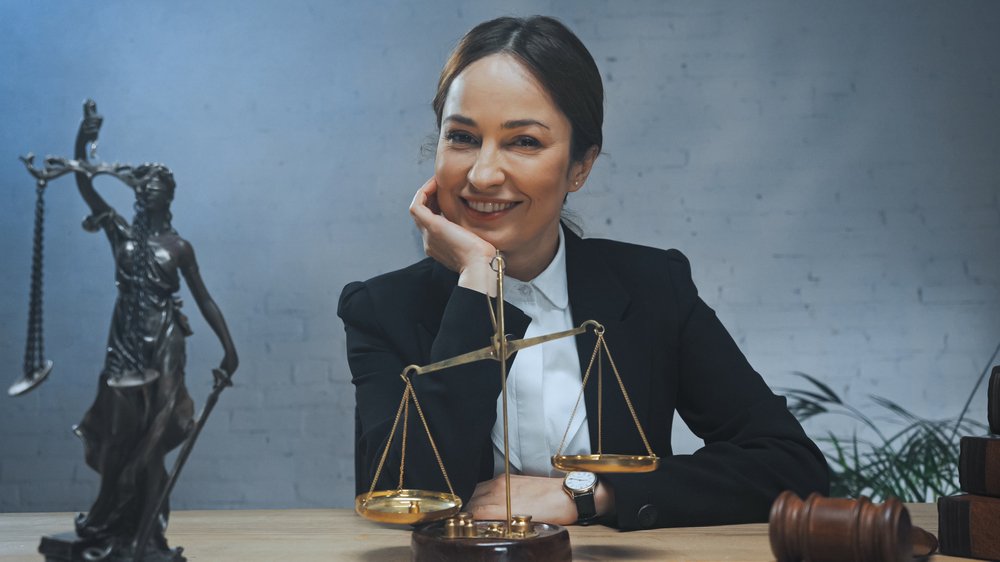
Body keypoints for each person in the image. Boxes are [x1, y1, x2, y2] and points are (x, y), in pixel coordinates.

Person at [338, 16, 828, 530]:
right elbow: (401, 495)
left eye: (523, 141)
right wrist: (480, 281)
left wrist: (593, 494)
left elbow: (790, 465)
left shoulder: (652, 286)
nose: (483, 174)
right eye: (461, 137)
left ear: (581, 165)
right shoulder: (380, 309)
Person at [63, 101, 239, 556]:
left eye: (156, 183)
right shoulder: (121, 233)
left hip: (165, 342)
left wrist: (228, 348)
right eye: (144, 184)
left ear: (169, 194)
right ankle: (113, 522)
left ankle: (147, 532)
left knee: (155, 436)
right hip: (122, 342)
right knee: (120, 435)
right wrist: (85, 138)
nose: (148, 189)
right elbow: (84, 180)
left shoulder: (179, 246)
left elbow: (204, 299)